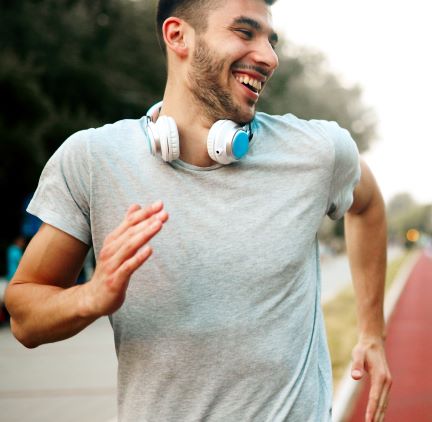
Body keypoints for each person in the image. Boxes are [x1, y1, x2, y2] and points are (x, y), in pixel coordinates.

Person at [5, 0, 391, 421]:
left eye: (270, 39)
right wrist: (91, 297)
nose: (269, 56)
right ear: (178, 36)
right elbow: (24, 315)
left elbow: (367, 206)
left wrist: (372, 331)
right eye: (245, 33)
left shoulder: (318, 152)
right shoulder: (93, 160)